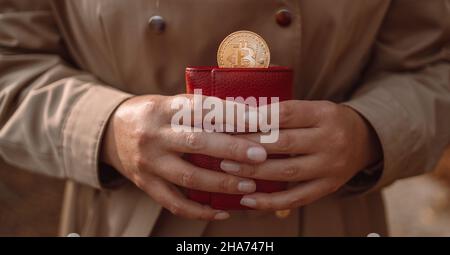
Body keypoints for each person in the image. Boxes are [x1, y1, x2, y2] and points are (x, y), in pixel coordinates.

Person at [0, 0, 449, 237]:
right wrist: (105, 127)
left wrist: (369, 131)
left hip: (328, 219)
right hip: (126, 219)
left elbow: (433, 65)